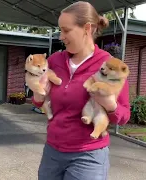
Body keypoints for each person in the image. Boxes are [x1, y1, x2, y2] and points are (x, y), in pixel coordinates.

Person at [31, 1, 131, 180]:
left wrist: (110, 105)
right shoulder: (54, 61)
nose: (61, 36)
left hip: (88, 155)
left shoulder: (109, 65)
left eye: (66, 30)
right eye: (60, 30)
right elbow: (39, 102)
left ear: (87, 28)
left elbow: (124, 116)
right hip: (52, 152)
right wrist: (38, 96)